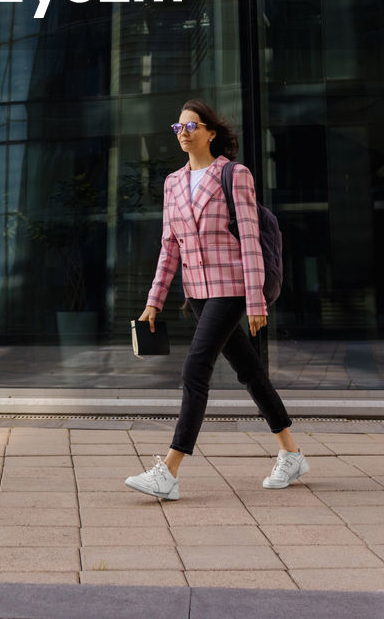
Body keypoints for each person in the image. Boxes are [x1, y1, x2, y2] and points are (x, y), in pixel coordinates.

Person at [125, 99, 308, 500]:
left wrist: (256, 299)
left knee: (195, 368)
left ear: (211, 132)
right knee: (250, 372)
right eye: (179, 127)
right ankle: (291, 453)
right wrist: (154, 301)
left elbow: (249, 239)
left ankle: (168, 472)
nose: (184, 133)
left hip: (233, 287)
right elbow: (168, 247)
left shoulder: (234, 175)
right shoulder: (173, 183)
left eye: (193, 126)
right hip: (198, 294)